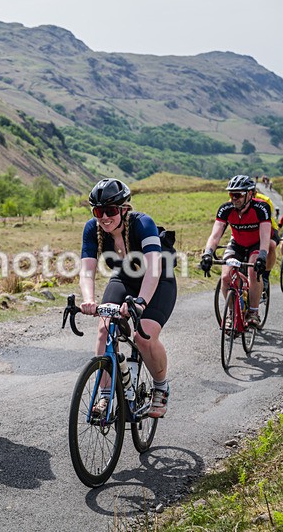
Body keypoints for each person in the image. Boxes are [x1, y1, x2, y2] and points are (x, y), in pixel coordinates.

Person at [79, 178, 176, 418]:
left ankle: (161, 387)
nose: (104, 217)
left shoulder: (143, 224)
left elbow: (153, 270)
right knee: (104, 328)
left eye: (110, 210)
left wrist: (141, 301)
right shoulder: (92, 229)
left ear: (124, 209)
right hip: (124, 278)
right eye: (98, 211)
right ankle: (105, 396)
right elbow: (87, 270)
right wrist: (89, 300)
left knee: (143, 336)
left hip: (158, 280)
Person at [200, 175, 271, 326]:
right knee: (226, 276)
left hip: (256, 244)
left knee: (253, 272)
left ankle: (253, 312)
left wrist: (262, 256)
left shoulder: (261, 208)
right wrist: (207, 254)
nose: (234, 198)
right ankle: (232, 313)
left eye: (238, 194)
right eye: (231, 194)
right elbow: (215, 235)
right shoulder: (225, 209)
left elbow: (265, 236)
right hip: (236, 244)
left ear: (250, 194)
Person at [254, 189, 279, 292]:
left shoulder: (265, 200)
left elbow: (268, 220)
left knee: (271, 245)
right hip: (249, 230)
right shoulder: (236, 199)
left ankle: (265, 276)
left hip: (268, 226)